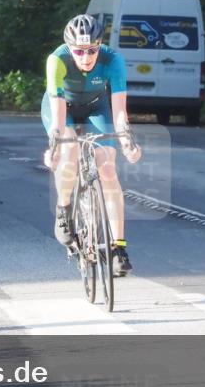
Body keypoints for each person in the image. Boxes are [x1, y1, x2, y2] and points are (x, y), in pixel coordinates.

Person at [42, 14, 142, 276]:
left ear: (100, 46)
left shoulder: (113, 60)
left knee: (108, 169)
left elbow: (120, 112)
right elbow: (59, 119)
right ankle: (63, 210)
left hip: (97, 107)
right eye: (79, 51)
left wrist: (128, 142)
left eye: (92, 50)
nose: (85, 57)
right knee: (70, 148)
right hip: (64, 108)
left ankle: (118, 247)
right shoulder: (57, 60)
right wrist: (53, 148)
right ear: (69, 48)